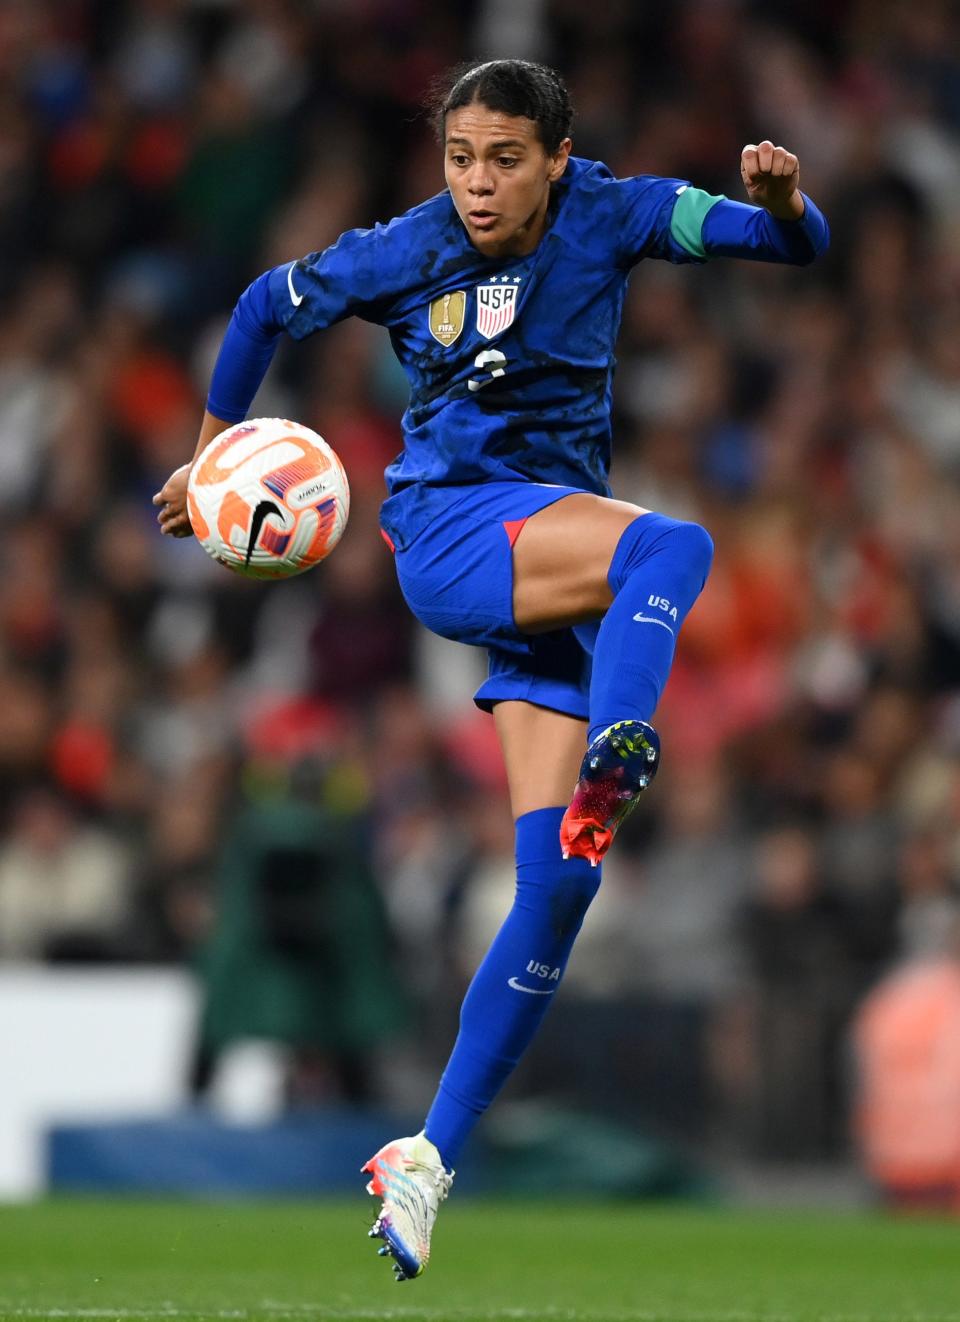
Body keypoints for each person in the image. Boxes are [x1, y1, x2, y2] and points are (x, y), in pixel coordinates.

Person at [154, 59, 828, 1280]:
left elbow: (793, 244)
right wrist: (213, 458)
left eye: (504, 158)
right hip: (458, 530)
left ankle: (424, 1157)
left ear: (556, 158)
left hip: (550, 569)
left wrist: (780, 204)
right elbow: (260, 304)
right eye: (461, 156)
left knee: (557, 888)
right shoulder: (403, 246)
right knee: (671, 544)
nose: (476, 182)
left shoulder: (616, 213)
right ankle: (625, 742)